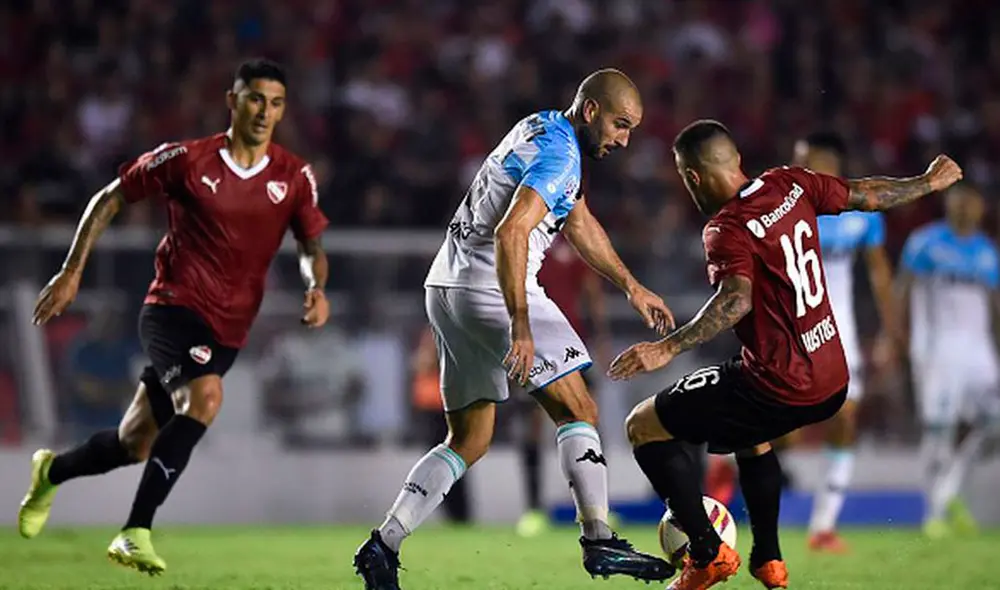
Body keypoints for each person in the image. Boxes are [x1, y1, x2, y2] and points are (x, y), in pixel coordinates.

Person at [354, 69, 676, 590]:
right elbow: (512, 231)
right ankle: (599, 539)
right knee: (580, 409)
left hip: (446, 288)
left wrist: (631, 286)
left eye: (632, 129)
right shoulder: (562, 154)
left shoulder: (540, 128)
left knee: (469, 439)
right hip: (494, 291)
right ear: (590, 110)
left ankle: (383, 544)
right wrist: (521, 325)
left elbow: (577, 219)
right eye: (620, 124)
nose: (624, 139)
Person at [610, 119, 961, 590]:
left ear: (693, 177)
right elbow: (867, 194)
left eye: (682, 176)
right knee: (750, 433)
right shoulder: (790, 183)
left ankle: (707, 552)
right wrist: (927, 182)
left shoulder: (725, 228)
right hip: (833, 379)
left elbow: (736, 299)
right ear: (735, 159)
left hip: (780, 384)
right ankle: (769, 561)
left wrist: (666, 348)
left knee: (643, 424)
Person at [18, 59, 330, 575]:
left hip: (230, 328)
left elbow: (310, 243)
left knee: (132, 444)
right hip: (173, 309)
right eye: (254, 99)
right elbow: (110, 198)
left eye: (274, 103)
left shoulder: (294, 175)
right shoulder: (187, 159)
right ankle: (134, 530)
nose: (263, 112)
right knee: (205, 397)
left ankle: (50, 471)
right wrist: (72, 271)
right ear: (233, 101)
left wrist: (316, 286)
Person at [794, 132, 897, 551]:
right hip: (793, 328)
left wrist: (890, 331)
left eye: (813, 164)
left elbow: (878, 273)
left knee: (845, 421)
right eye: (800, 164)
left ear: (834, 169)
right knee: (780, 424)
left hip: (842, 333)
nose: (804, 174)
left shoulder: (862, 214)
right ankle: (728, 473)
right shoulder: (780, 212)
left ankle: (822, 526)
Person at [898, 183, 1000, 539]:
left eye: (971, 204)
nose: (964, 210)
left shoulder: (987, 252)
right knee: (939, 432)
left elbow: (994, 306)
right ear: (948, 205)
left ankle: (950, 488)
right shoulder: (925, 242)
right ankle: (935, 513)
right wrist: (896, 340)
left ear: (981, 208)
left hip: (979, 353)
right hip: (936, 350)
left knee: (995, 423)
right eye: (957, 203)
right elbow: (902, 291)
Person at [516, 234, 609, 537]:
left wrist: (601, 335)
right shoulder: (528, 236)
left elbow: (591, 290)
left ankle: (597, 508)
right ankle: (533, 509)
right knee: (535, 425)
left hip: (573, 343)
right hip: (537, 343)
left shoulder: (575, 237)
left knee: (590, 418)